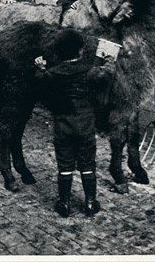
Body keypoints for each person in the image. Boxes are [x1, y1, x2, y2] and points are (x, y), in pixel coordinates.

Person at [34, 29, 116, 218]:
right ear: (80, 51)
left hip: (62, 127)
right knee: (87, 164)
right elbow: (107, 74)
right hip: (85, 126)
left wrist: (40, 68)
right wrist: (109, 59)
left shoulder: (53, 73)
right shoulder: (89, 72)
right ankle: (90, 203)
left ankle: (64, 203)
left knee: (65, 166)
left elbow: (41, 81)